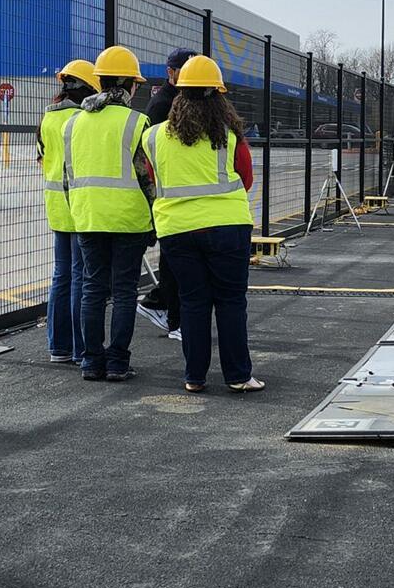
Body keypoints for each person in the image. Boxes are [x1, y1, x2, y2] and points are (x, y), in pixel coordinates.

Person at [143, 55, 263, 394]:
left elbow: (154, 177)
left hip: (177, 229)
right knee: (230, 301)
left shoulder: (153, 137)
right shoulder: (229, 136)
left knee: (193, 301)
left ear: (178, 92)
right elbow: (246, 178)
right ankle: (239, 375)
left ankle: (194, 377)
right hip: (227, 226)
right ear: (218, 94)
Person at [63, 45, 154, 382]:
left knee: (92, 289)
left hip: (87, 216)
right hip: (129, 218)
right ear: (131, 85)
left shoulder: (74, 123)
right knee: (126, 291)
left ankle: (90, 362)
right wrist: (154, 218)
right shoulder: (137, 122)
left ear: (100, 82)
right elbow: (147, 177)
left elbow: (67, 176)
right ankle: (117, 362)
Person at [37, 59, 100, 364]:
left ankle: (57, 347)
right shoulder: (80, 120)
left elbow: (42, 159)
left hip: (56, 206)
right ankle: (79, 349)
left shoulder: (47, 118)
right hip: (78, 205)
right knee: (80, 276)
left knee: (61, 275)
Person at [137, 46, 197, 340]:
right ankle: (172, 315)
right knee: (174, 260)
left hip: (183, 193)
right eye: (181, 71)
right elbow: (154, 154)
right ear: (170, 72)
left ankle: (163, 304)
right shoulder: (163, 105)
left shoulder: (187, 100)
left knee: (177, 259)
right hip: (169, 193)